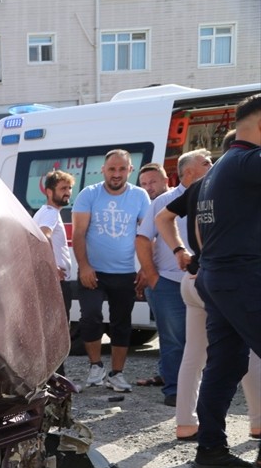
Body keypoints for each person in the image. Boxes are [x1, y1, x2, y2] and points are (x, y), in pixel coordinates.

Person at [156, 133, 260, 444]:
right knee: (249, 354)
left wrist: (179, 252)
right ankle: (257, 423)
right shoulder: (235, 187)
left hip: (196, 278)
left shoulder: (200, 188)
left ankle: (186, 423)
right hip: (221, 279)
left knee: (194, 356)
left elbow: (164, 218)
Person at [190, 93, 261, 468]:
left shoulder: (219, 168)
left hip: (219, 277)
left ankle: (210, 450)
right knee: (223, 364)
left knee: (225, 364)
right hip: (239, 277)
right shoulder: (248, 162)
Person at [71, 149, 152, 393]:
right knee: (91, 317)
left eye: (122, 169)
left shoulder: (140, 196)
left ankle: (117, 374)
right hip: (93, 271)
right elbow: (78, 233)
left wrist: (147, 268)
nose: (116, 174)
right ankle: (95, 366)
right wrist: (84, 266)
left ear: (130, 170)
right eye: (112, 169)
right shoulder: (89, 194)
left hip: (124, 272)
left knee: (121, 323)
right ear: (103, 170)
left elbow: (146, 235)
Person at [133, 161, 187, 404]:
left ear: (167, 179)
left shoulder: (182, 198)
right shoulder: (154, 204)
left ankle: (178, 381)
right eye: (144, 184)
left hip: (193, 280)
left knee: (187, 338)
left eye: (153, 181)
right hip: (166, 281)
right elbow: (143, 240)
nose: (149, 187)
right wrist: (152, 276)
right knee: (172, 337)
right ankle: (174, 387)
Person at [32, 170, 75, 378]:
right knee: (57, 333)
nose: (68, 193)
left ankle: (52, 378)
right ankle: (58, 380)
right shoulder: (49, 213)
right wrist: (52, 267)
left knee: (50, 332)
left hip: (50, 281)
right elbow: (43, 235)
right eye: (63, 189)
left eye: (69, 188)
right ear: (49, 192)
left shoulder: (44, 212)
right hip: (55, 283)